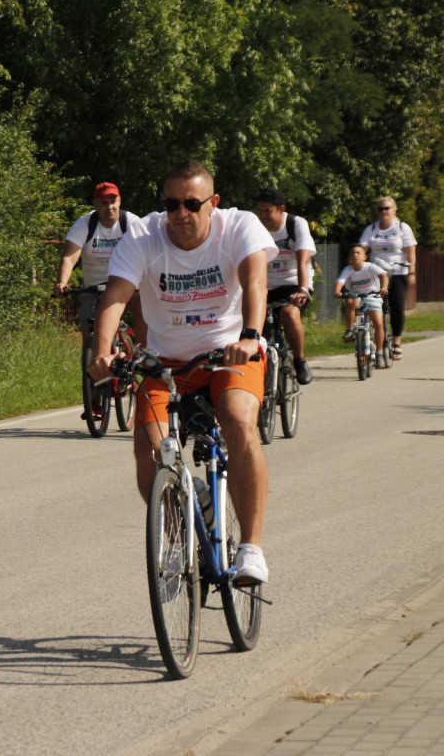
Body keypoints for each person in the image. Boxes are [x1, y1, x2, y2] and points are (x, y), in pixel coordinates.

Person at [88, 160, 277, 585]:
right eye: (171, 204)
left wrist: (250, 336)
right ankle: (178, 541)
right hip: (167, 362)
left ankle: (251, 549)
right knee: (149, 451)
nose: (181, 214)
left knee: (238, 421)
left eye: (192, 204)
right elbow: (116, 296)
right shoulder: (143, 235)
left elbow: (255, 283)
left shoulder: (239, 226)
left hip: (230, 356)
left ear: (214, 203)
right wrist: (101, 352)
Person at [54, 181, 146, 417]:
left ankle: (147, 363)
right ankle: (94, 400)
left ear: (120, 201)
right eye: (104, 203)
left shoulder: (132, 223)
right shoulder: (85, 224)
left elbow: (149, 252)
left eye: (113, 201)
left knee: (143, 314)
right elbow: (69, 257)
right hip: (94, 289)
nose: (109, 207)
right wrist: (62, 282)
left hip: (129, 285)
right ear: (95, 204)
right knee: (90, 338)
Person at [254, 188, 316, 385]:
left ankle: (299, 360)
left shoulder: (295, 224)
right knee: (252, 327)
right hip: (265, 286)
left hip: (293, 283)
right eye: (260, 210)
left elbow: (303, 260)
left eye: (267, 211)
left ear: (281, 209)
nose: (262, 216)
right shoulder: (255, 227)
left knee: (289, 314)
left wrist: (303, 289)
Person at [358, 196, 417, 360]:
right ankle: (379, 340)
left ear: (394, 209)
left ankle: (396, 341)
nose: (384, 212)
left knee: (397, 306)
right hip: (377, 272)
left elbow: (410, 251)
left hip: (398, 271)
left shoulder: (402, 228)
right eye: (381, 209)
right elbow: (362, 248)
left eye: (387, 208)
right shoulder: (371, 229)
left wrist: (412, 272)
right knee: (376, 306)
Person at [334, 244, 389, 369]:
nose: (355, 255)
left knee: (378, 323)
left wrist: (384, 287)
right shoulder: (348, 269)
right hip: (357, 296)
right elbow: (340, 281)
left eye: (358, 253)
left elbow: (383, 276)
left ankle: (379, 353)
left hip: (372, 297)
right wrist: (337, 291)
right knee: (350, 302)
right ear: (349, 258)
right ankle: (349, 329)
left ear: (365, 257)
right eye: (353, 253)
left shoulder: (370, 267)